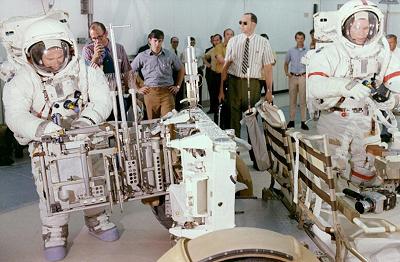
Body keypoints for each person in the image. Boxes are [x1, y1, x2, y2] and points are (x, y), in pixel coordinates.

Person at [2, 17, 117, 261]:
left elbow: (102, 99)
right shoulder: (24, 79)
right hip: (47, 145)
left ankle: (96, 217)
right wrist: (42, 127)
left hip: (85, 138)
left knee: (94, 180)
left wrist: (86, 120)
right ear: (33, 56)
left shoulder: (85, 70)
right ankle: (54, 231)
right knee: (51, 190)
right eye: (48, 58)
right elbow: (15, 114)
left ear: (68, 50)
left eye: (58, 57)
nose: (54, 63)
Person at [307, 0, 400, 185]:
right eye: (356, 26)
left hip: (367, 119)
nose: (361, 32)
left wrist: (391, 100)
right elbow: (314, 85)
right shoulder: (330, 52)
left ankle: (360, 201)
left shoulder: (382, 53)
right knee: (331, 167)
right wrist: (345, 86)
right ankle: (329, 206)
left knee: (368, 167)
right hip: (335, 119)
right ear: (345, 25)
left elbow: (396, 84)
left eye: (366, 27)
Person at [219, 12, 274, 138]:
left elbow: (268, 68)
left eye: (245, 23)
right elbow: (225, 67)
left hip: (253, 83)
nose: (241, 25)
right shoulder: (233, 41)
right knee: (234, 117)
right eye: (240, 23)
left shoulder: (263, 42)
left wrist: (269, 90)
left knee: (252, 116)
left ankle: (254, 149)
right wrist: (221, 90)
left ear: (253, 24)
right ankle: (236, 147)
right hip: (234, 82)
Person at [82, 21, 132, 120]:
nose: (97, 41)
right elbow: (86, 75)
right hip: (97, 98)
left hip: (116, 94)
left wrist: (130, 92)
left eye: (100, 37)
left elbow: (126, 71)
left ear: (106, 34)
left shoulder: (118, 48)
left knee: (120, 122)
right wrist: (95, 57)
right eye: (94, 38)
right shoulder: (87, 50)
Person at [131, 29, 184, 119]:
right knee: (153, 124)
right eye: (155, 41)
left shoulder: (169, 55)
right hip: (150, 93)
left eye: (160, 41)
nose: (157, 44)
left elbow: (181, 69)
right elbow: (130, 71)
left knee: (169, 122)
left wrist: (177, 86)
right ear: (150, 40)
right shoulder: (142, 56)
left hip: (167, 93)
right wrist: (137, 88)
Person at [284, 31, 309, 130]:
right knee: (292, 100)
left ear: (304, 39)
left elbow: (311, 64)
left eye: (301, 38)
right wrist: (287, 73)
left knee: (302, 100)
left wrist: (308, 75)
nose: (300, 40)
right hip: (293, 77)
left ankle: (303, 121)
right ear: (295, 39)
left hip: (303, 77)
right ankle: (292, 120)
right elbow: (286, 63)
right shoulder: (291, 51)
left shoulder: (308, 51)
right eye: (298, 38)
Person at [204, 34, 222, 114]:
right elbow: (203, 57)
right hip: (214, 74)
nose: (215, 42)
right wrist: (208, 64)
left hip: (223, 74)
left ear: (221, 40)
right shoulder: (213, 49)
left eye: (217, 40)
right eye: (214, 40)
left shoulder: (225, 48)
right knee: (213, 93)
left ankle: (221, 109)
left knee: (221, 93)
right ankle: (214, 109)